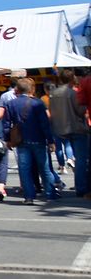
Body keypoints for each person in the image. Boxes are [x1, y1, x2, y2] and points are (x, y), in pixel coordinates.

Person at [3, 77, 59, 205]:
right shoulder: (38, 103)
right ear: (31, 90)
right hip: (38, 139)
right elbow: (44, 123)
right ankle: (50, 194)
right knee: (44, 168)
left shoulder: (11, 104)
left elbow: (6, 124)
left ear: (17, 90)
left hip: (22, 140)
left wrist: (8, 139)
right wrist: (50, 140)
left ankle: (29, 196)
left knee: (24, 169)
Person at [49, 69, 89, 197]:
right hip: (76, 127)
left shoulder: (53, 93)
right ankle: (81, 187)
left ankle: (80, 185)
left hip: (60, 128)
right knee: (81, 159)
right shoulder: (72, 93)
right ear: (72, 78)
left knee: (64, 149)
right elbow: (80, 110)